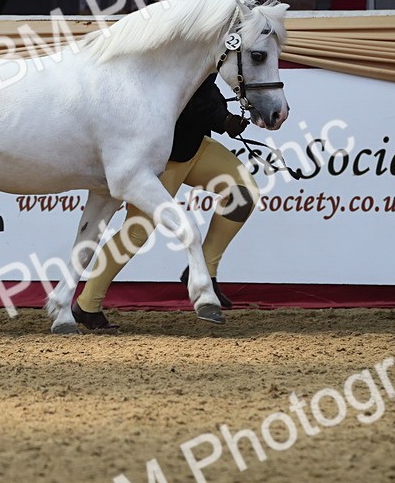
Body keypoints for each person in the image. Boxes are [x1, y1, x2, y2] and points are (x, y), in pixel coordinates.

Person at [71, 65, 260, 331]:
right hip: (162, 158)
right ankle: (87, 304)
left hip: (196, 147)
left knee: (244, 191)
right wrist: (223, 120)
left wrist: (228, 116)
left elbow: (203, 87)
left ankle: (204, 269)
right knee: (136, 232)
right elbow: (193, 100)